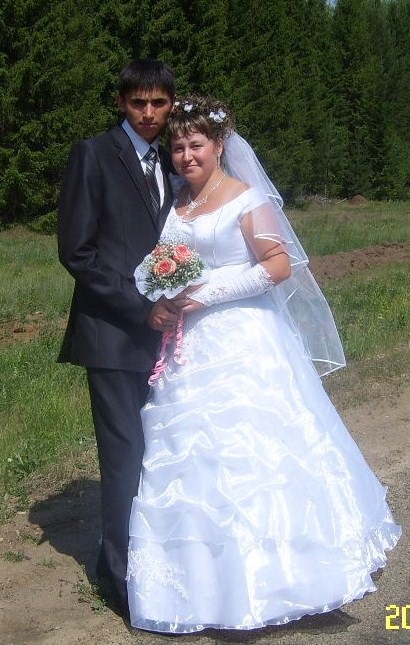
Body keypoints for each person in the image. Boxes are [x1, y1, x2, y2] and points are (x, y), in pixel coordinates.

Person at [126, 95, 401, 633]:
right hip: (188, 347)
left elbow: (277, 265)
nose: (185, 156)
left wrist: (206, 294)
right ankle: (204, 588)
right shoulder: (177, 205)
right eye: (177, 148)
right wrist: (162, 296)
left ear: (218, 145)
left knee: (254, 454)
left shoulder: (245, 197)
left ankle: (275, 581)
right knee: (193, 458)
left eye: (195, 145)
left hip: (245, 340)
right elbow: (166, 264)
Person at [57, 59, 181, 616]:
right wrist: (140, 307)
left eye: (158, 103)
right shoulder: (93, 155)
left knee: (166, 451)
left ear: (170, 104)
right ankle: (120, 577)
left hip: (171, 336)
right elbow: (77, 252)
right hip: (111, 333)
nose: (149, 113)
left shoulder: (177, 158)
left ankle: (167, 561)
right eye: (138, 103)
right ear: (121, 103)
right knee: (125, 455)